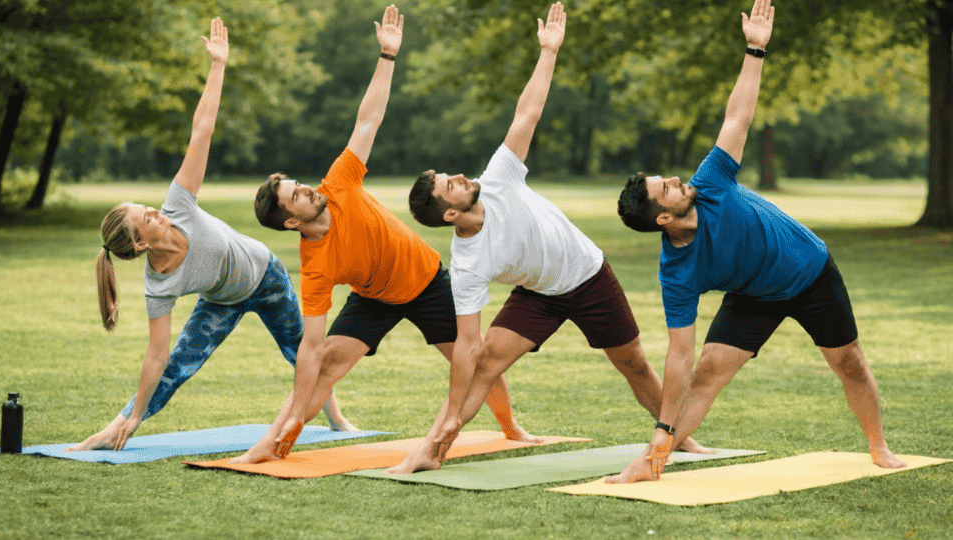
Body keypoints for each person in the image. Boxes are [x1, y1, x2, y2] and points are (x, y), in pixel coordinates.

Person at [389, 2, 707, 475]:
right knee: (482, 366)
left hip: (587, 273)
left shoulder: (496, 178)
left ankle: (680, 438)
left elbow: (528, 113)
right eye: (448, 185)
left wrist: (548, 52)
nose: (459, 175)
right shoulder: (469, 264)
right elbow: (469, 346)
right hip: (540, 294)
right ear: (450, 213)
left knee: (634, 365)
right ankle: (432, 450)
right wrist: (454, 413)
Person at [609, 0, 906, 483]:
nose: (680, 180)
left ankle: (879, 447)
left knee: (848, 362)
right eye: (668, 188)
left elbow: (737, 117)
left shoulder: (712, 183)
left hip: (808, 272)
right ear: (663, 217)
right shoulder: (677, 271)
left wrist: (755, 49)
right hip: (754, 294)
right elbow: (679, 354)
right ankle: (652, 462)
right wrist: (663, 429)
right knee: (707, 370)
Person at [233, 5, 536, 464]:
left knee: (472, 362)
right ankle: (277, 437)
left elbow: (367, 120)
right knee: (330, 362)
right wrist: (295, 410)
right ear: (291, 221)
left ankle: (511, 427)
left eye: (300, 184)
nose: (309, 188)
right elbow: (310, 349)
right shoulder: (315, 268)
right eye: (297, 195)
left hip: (427, 281)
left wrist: (388, 56)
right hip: (374, 297)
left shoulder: (338, 184)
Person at [71, 17, 355, 452]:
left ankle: (337, 418)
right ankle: (117, 426)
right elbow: (156, 358)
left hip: (266, 275)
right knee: (177, 369)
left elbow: (201, 129)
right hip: (221, 301)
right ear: (142, 243)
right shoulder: (159, 284)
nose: (154, 209)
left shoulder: (178, 204)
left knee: (301, 349)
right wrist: (130, 417)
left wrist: (218, 66)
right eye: (146, 215)